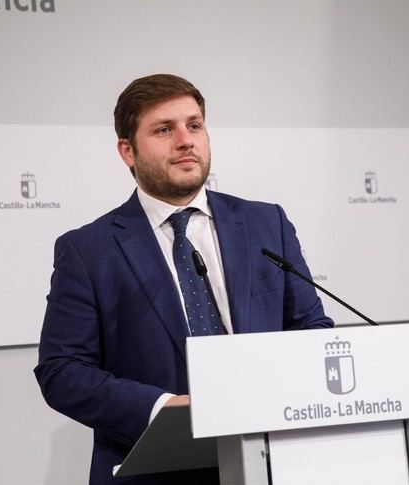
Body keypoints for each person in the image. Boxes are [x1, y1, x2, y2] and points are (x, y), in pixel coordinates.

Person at [34, 74, 334, 485]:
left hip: (269, 460)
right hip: (154, 468)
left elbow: (311, 330)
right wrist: (163, 409)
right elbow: (62, 371)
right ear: (128, 151)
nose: (185, 141)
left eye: (194, 125)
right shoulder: (89, 250)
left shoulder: (266, 224)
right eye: (164, 130)